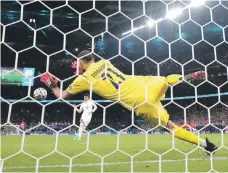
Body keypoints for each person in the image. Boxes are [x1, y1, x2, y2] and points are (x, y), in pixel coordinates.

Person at [40, 50, 218, 154]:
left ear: (81, 63)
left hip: (139, 103)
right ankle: (184, 77)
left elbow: (62, 95)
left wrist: (52, 85)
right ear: (93, 59)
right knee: (165, 80)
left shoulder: (83, 78)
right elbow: (93, 65)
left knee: (170, 127)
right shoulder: (105, 62)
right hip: (144, 85)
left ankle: (205, 144)